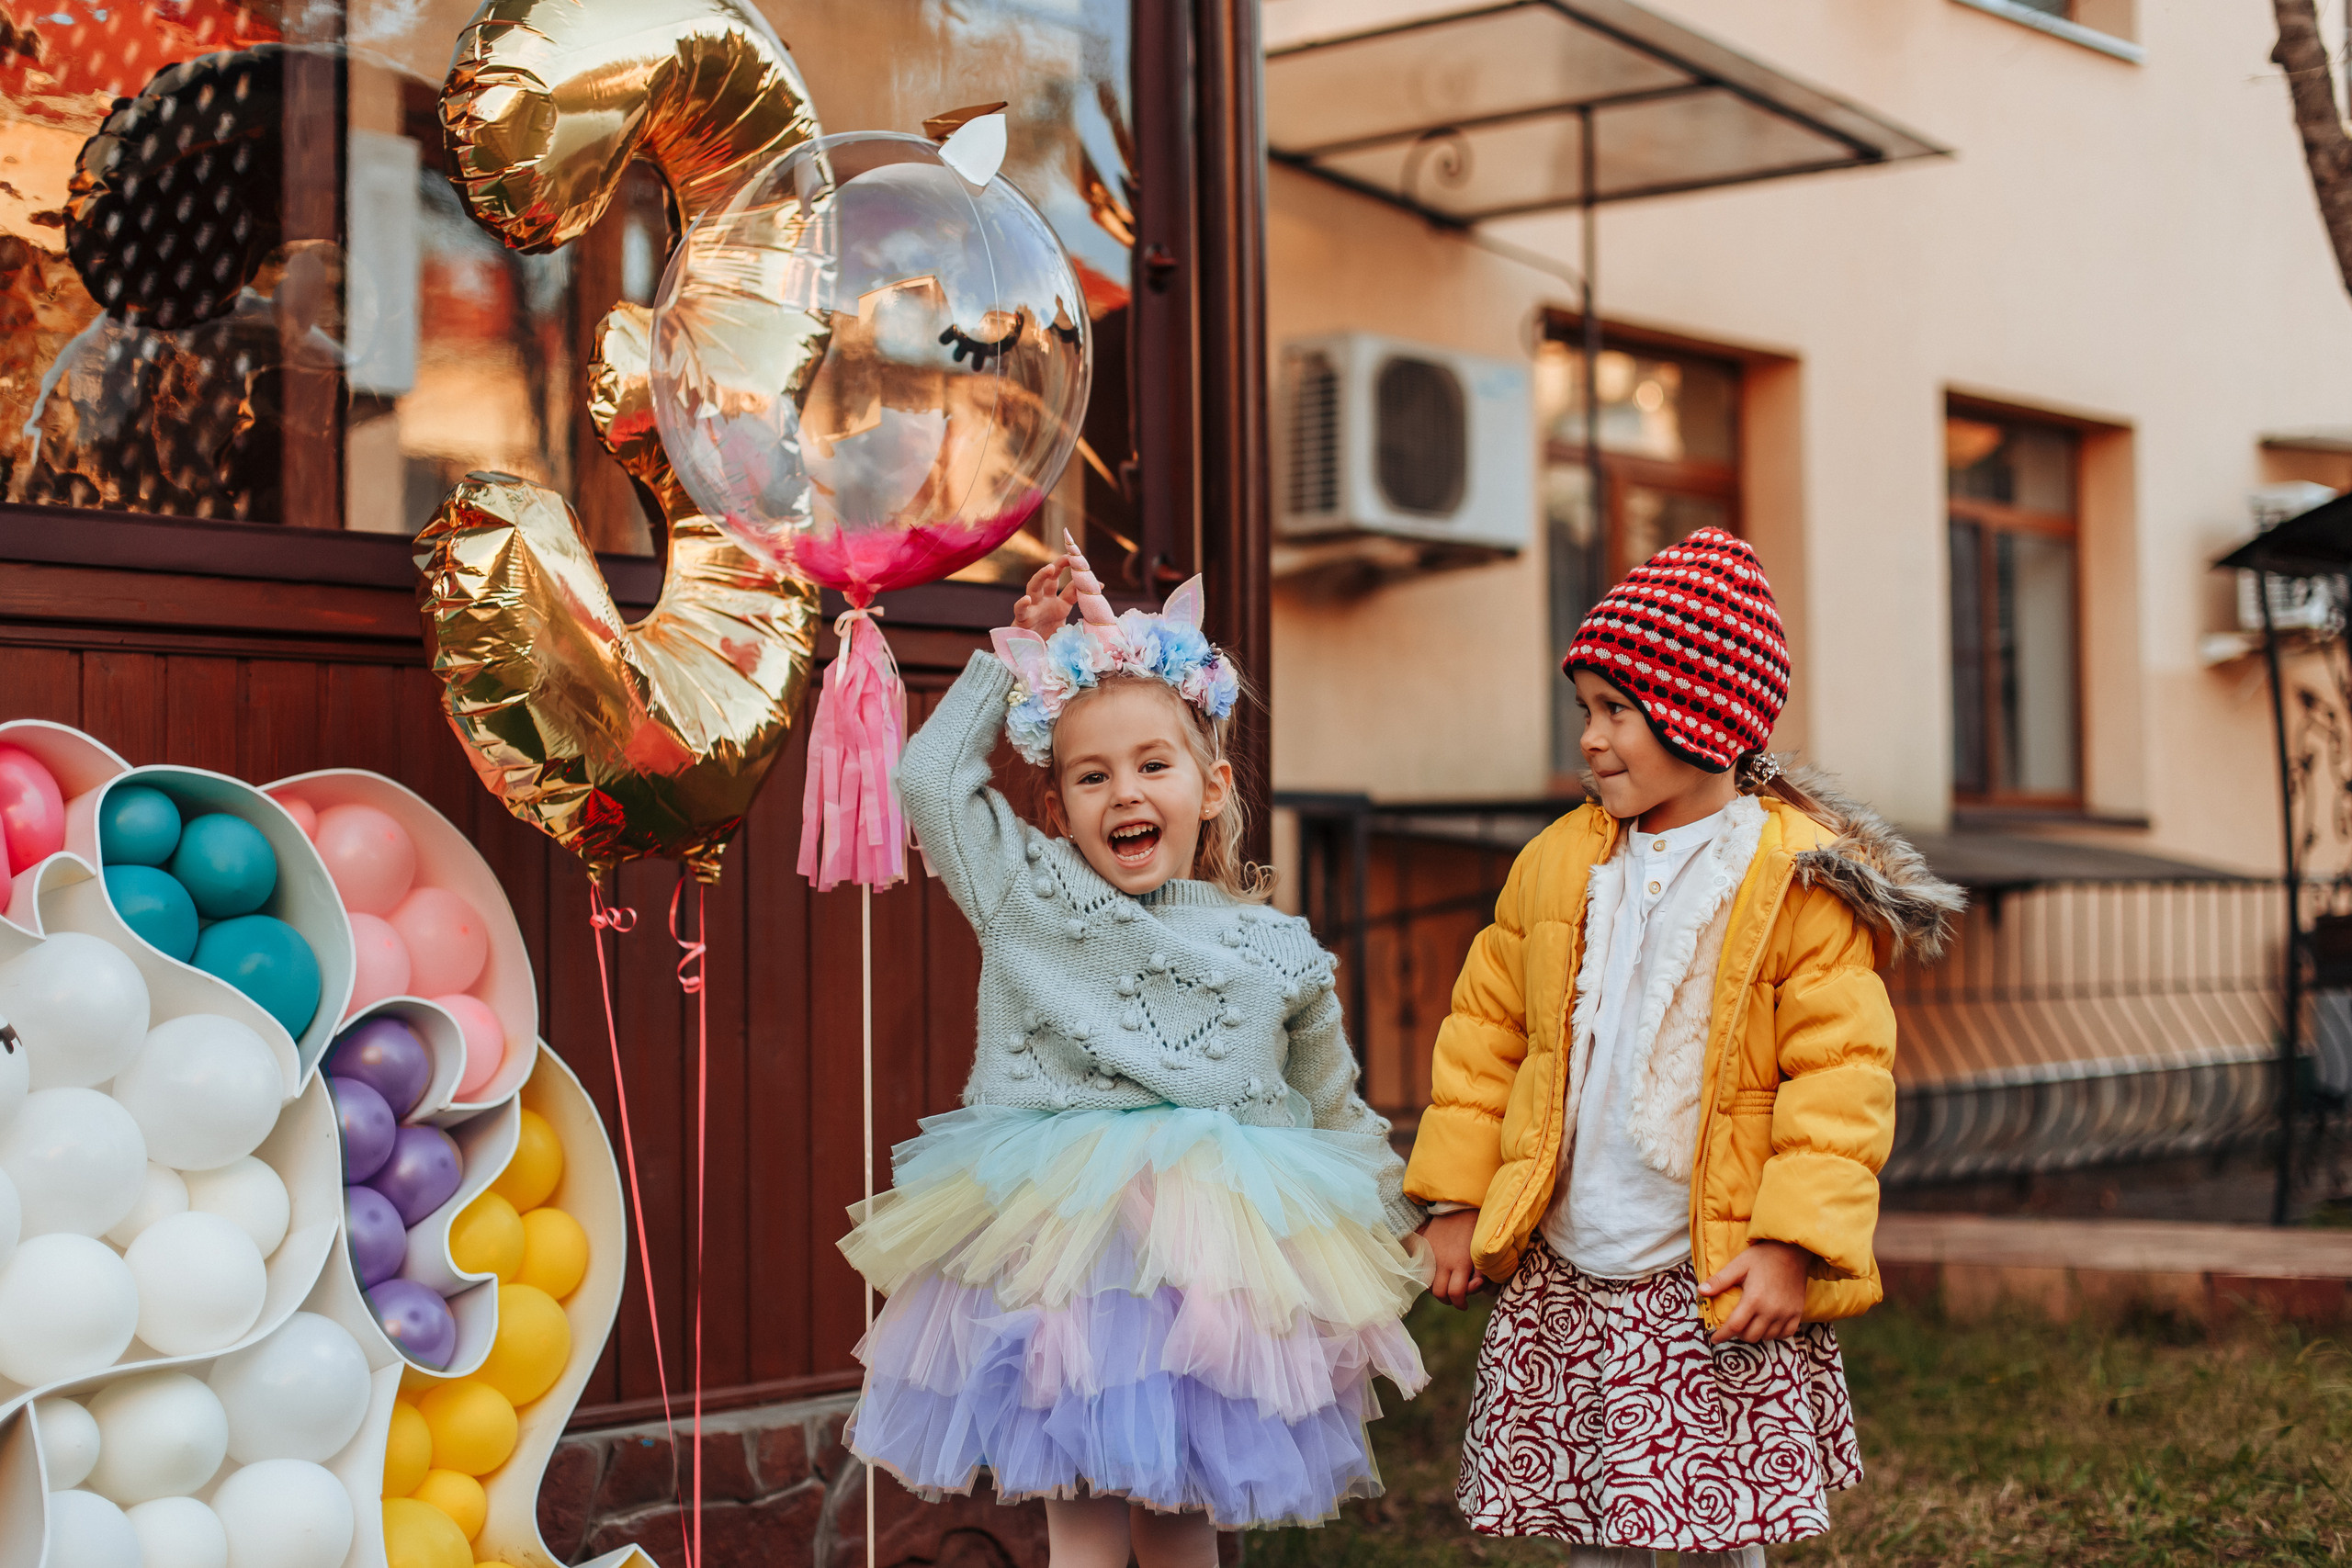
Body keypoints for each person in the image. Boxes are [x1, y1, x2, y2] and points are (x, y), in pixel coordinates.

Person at [840, 549, 1430, 1568]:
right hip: (1068, 1250)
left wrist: (1396, 1235)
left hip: (1211, 1266)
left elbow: (1333, 1107)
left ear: (1211, 787)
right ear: (1058, 804)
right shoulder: (1028, 894)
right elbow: (927, 782)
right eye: (1090, 775)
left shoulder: (1274, 949)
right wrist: (999, 666)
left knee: (1178, 1514)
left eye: (1152, 765)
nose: (1124, 794)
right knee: (1079, 1519)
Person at [1408, 528, 1962, 1567]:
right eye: (1586, 711)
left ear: (1700, 714)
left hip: (1703, 1266)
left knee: (1714, 1530)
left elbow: (1837, 1083)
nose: (1592, 738)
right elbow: (1486, 1039)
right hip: (1574, 1253)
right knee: (1595, 1528)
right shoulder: (1556, 865)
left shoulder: (1798, 879)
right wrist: (1456, 1200)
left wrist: (1793, 1244)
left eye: (1616, 710)